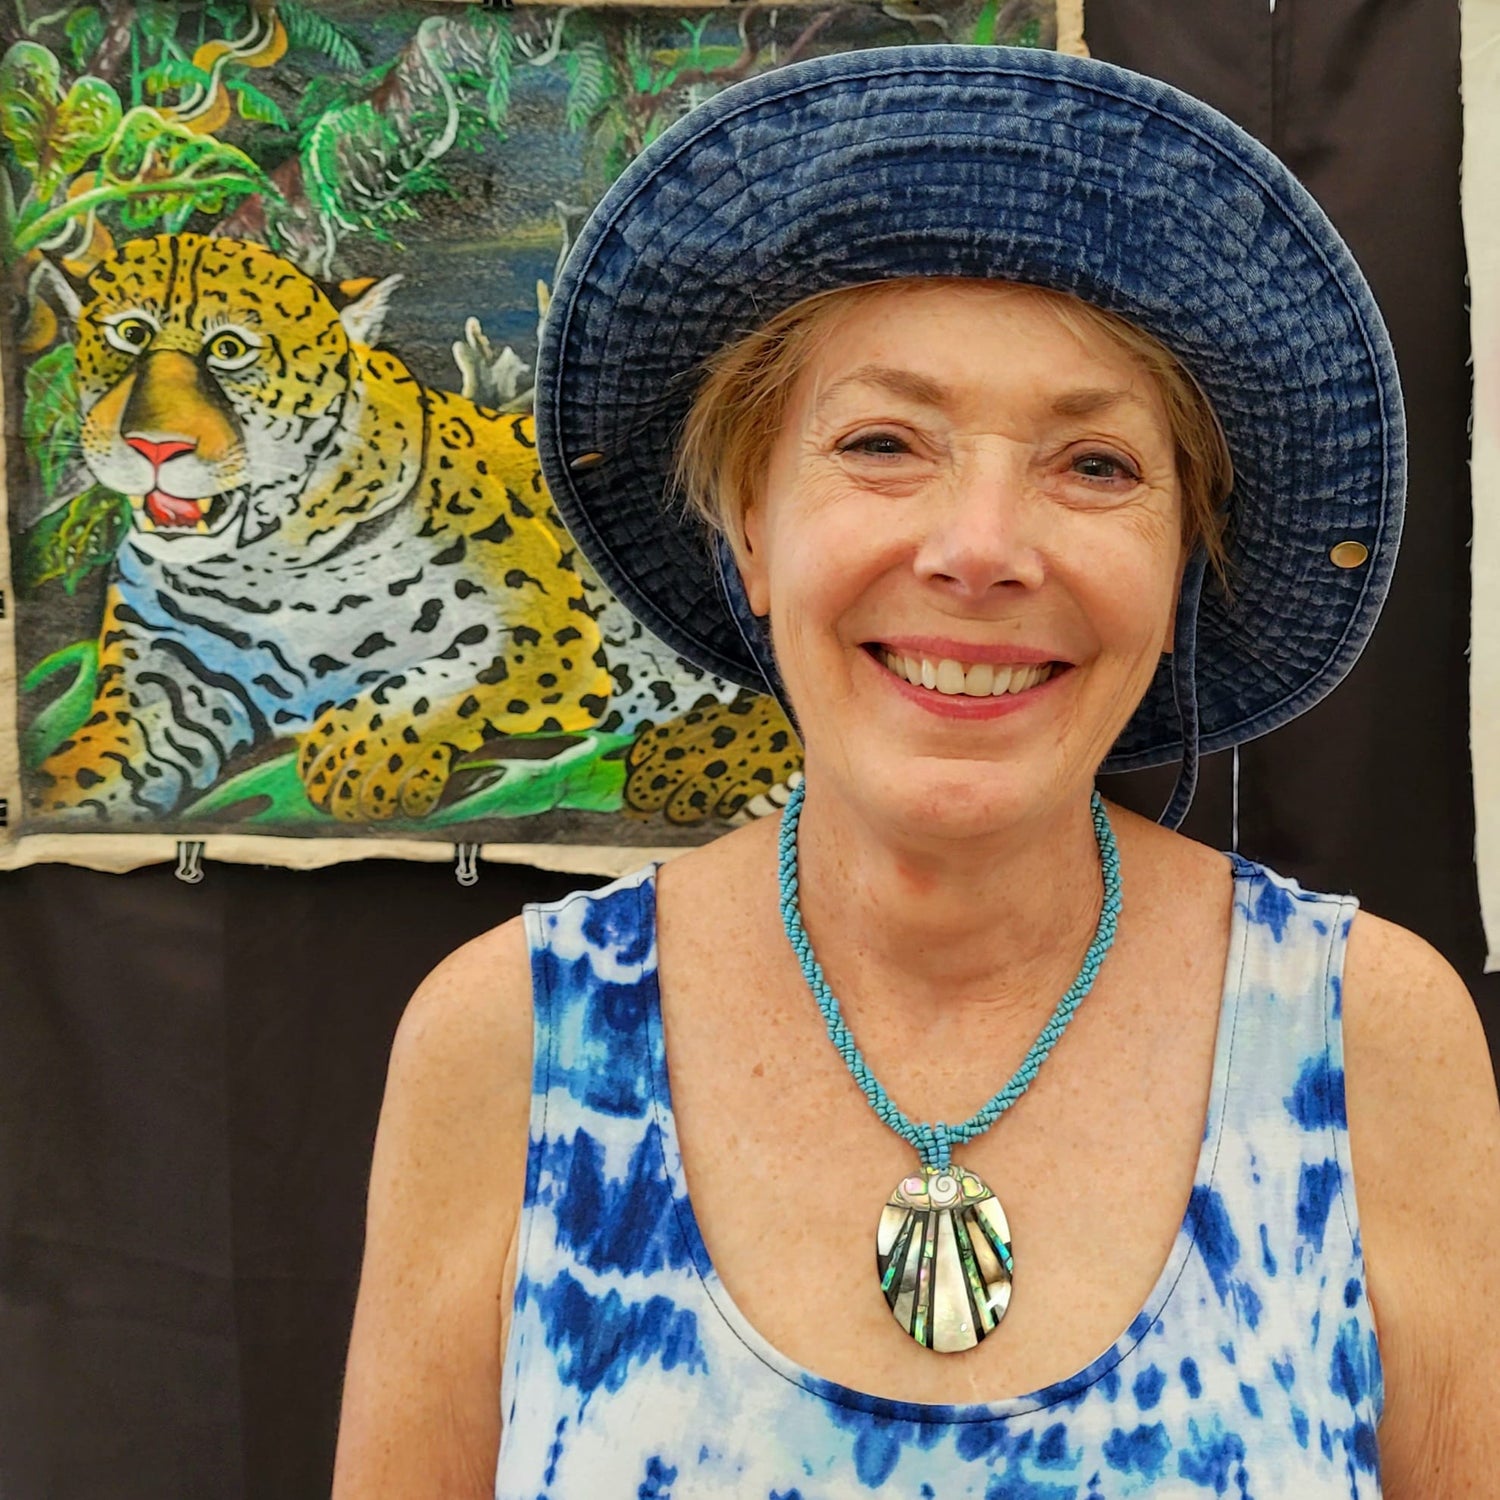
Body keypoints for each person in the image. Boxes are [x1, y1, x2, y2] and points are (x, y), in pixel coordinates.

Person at [332, 46, 1500, 1498]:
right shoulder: (508, 1045)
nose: (981, 547)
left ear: (1183, 556)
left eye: (1095, 466)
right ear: (747, 529)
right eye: (884, 443)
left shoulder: (1366, 1041)